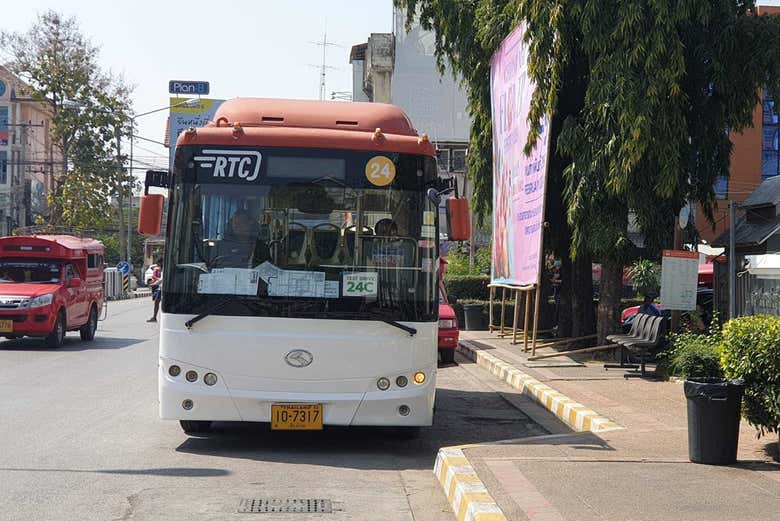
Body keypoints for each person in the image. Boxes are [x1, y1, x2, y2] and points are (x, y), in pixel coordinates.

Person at [147, 257, 163, 323]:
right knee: (156, 302)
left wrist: (154, 283)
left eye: (158, 263)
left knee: (159, 302)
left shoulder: (164, 269)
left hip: (164, 289)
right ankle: (154, 317)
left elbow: (162, 279)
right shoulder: (160, 269)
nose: (157, 265)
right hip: (160, 288)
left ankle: (156, 317)